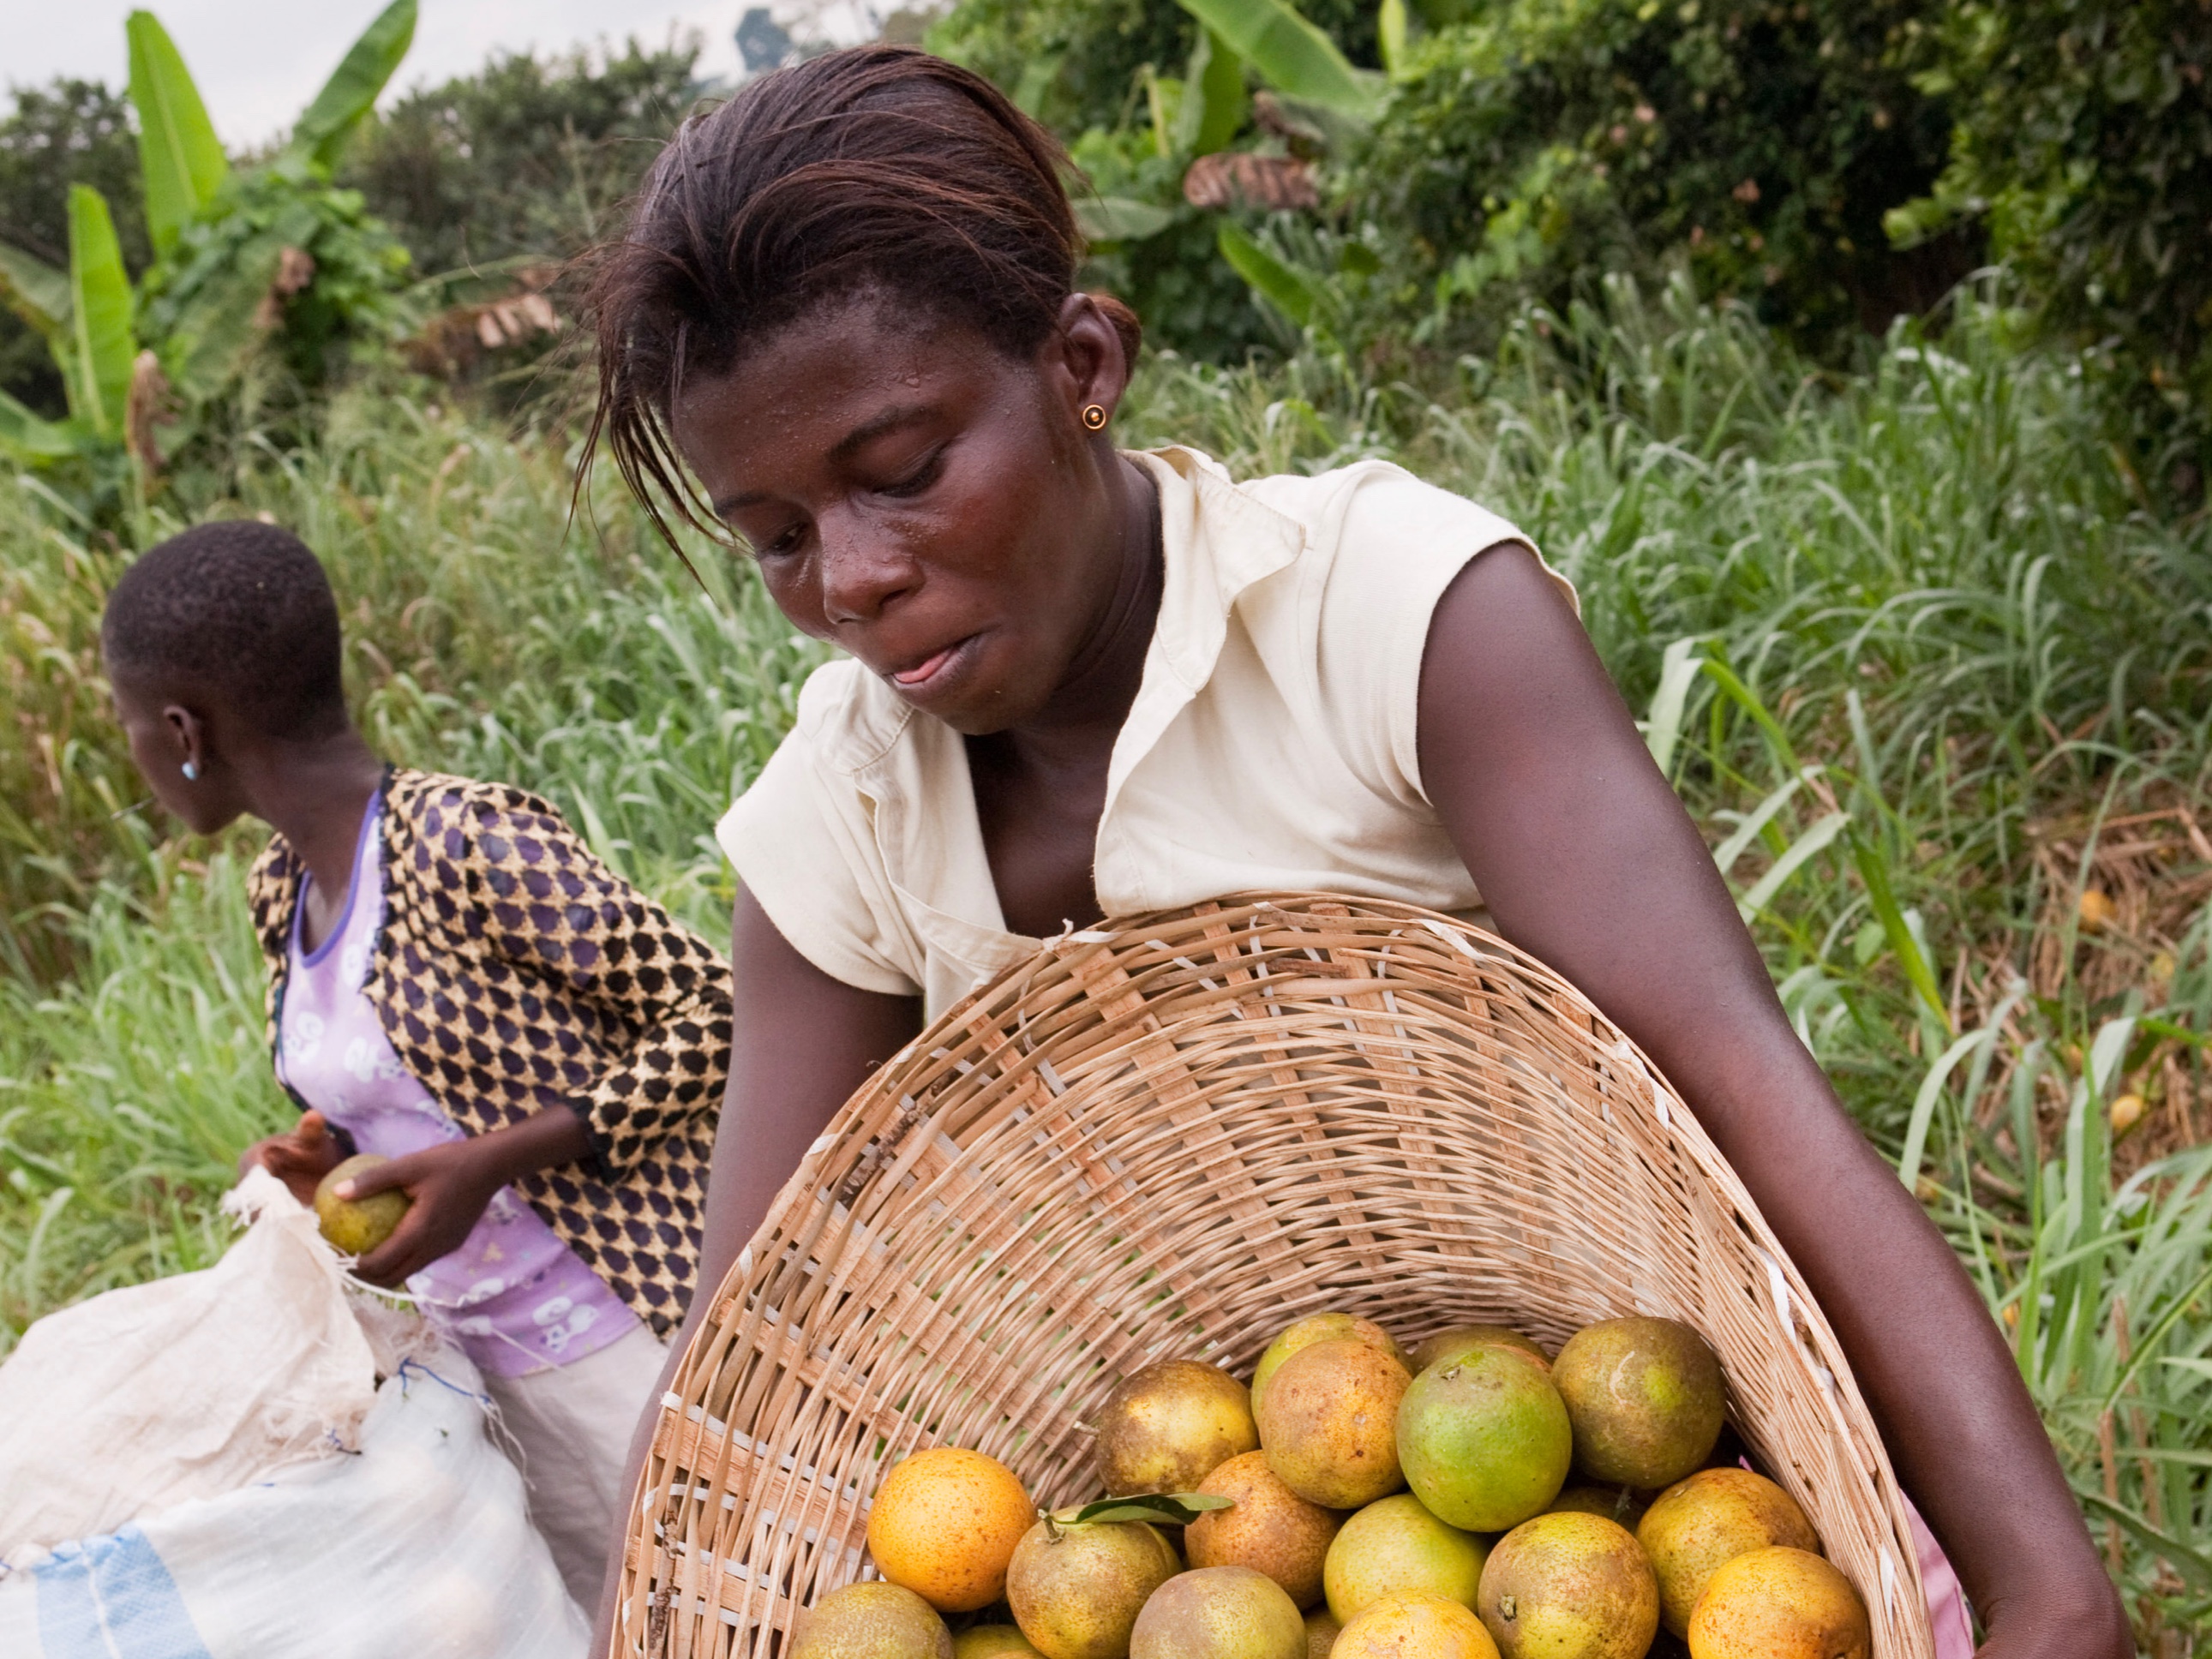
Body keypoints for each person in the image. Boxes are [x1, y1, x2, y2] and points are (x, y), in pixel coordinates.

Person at [580, 45, 2125, 1657]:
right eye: (773, 536)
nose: (850, 579)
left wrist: (2049, 1592)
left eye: (902, 475)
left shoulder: (1389, 614)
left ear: (1082, 362)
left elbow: (1743, 1087)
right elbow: (738, 1370)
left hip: (1657, 1452)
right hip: (1236, 1512)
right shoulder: (842, 819)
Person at [99, 520, 733, 1607]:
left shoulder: (465, 841)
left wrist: (490, 1162)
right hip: (475, 1374)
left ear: (182, 727)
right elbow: (405, 1103)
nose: (137, 756)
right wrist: (327, 1159)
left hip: (634, 1341)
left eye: (128, 730)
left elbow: (718, 1008)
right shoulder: (278, 888)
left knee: (738, 1608)